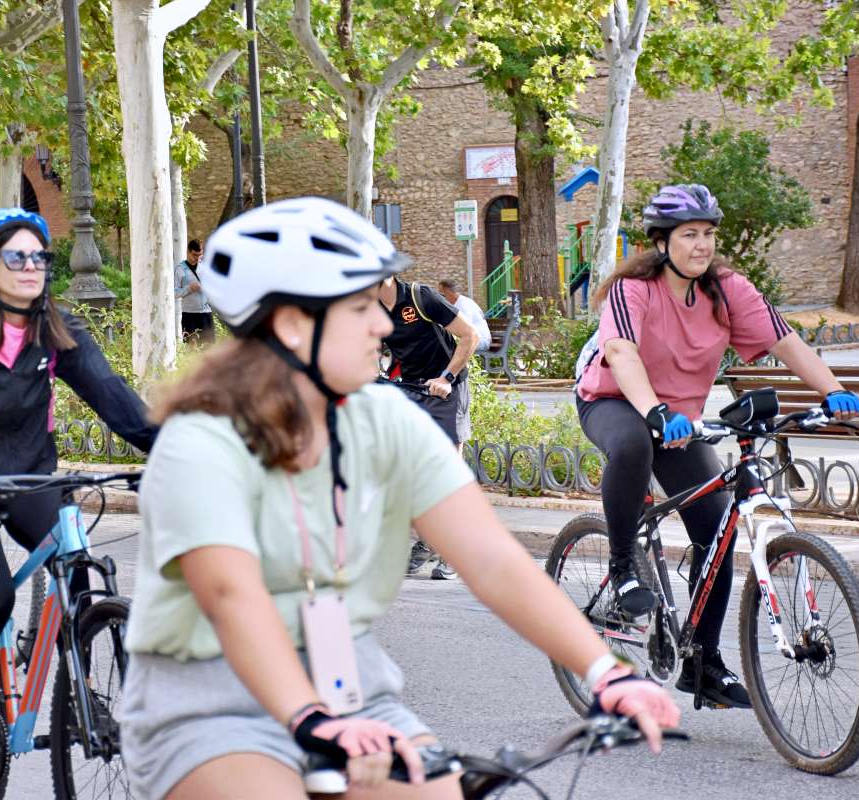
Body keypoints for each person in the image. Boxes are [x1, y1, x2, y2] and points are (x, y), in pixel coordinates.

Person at [119, 197, 679, 800]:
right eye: (359, 308)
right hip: (214, 704)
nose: (382, 326)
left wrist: (604, 672)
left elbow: (492, 559)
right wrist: (309, 719)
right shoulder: (202, 440)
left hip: (353, 691)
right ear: (290, 326)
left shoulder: (386, 419)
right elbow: (232, 594)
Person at [575, 184, 859, 709]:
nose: (702, 245)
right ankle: (622, 568)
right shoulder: (633, 289)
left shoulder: (726, 288)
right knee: (636, 443)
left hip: (677, 419)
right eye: (689, 235)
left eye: (709, 234)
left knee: (717, 533)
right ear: (662, 243)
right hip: (614, 398)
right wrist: (654, 410)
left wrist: (833, 390)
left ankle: (702, 664)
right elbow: (619, 351)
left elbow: (783, 340)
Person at [0, 208, 158, 775]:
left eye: (40, 256)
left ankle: (81, 691)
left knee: (80, 567)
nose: (30, 266)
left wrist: (170, 446)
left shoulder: (56, 328)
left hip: (30, 474)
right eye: (16, 256)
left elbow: (111, 394)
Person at [379, 278, 477, 580]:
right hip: (412, 389)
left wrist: (446, 377)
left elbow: (468, 336)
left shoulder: (419, 297)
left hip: (447, 389)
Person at [175, 239, 214, 344]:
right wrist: (189, 288)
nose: (197, 258)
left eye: (200, 255)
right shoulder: (180, 269)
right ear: (188, 251)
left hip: (206, 313)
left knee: (209, 349)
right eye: (194, 255)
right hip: (189, 315)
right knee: (192, 350)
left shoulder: (206, 268)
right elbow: (174, 293)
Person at [437, 279, 491, 353]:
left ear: (448, 292)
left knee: (445, 347)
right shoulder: (458, 303)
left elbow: (464, 330)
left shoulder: (464, 305)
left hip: (481, 342)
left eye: (441, 293)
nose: (440, 297)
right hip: (475, 339)